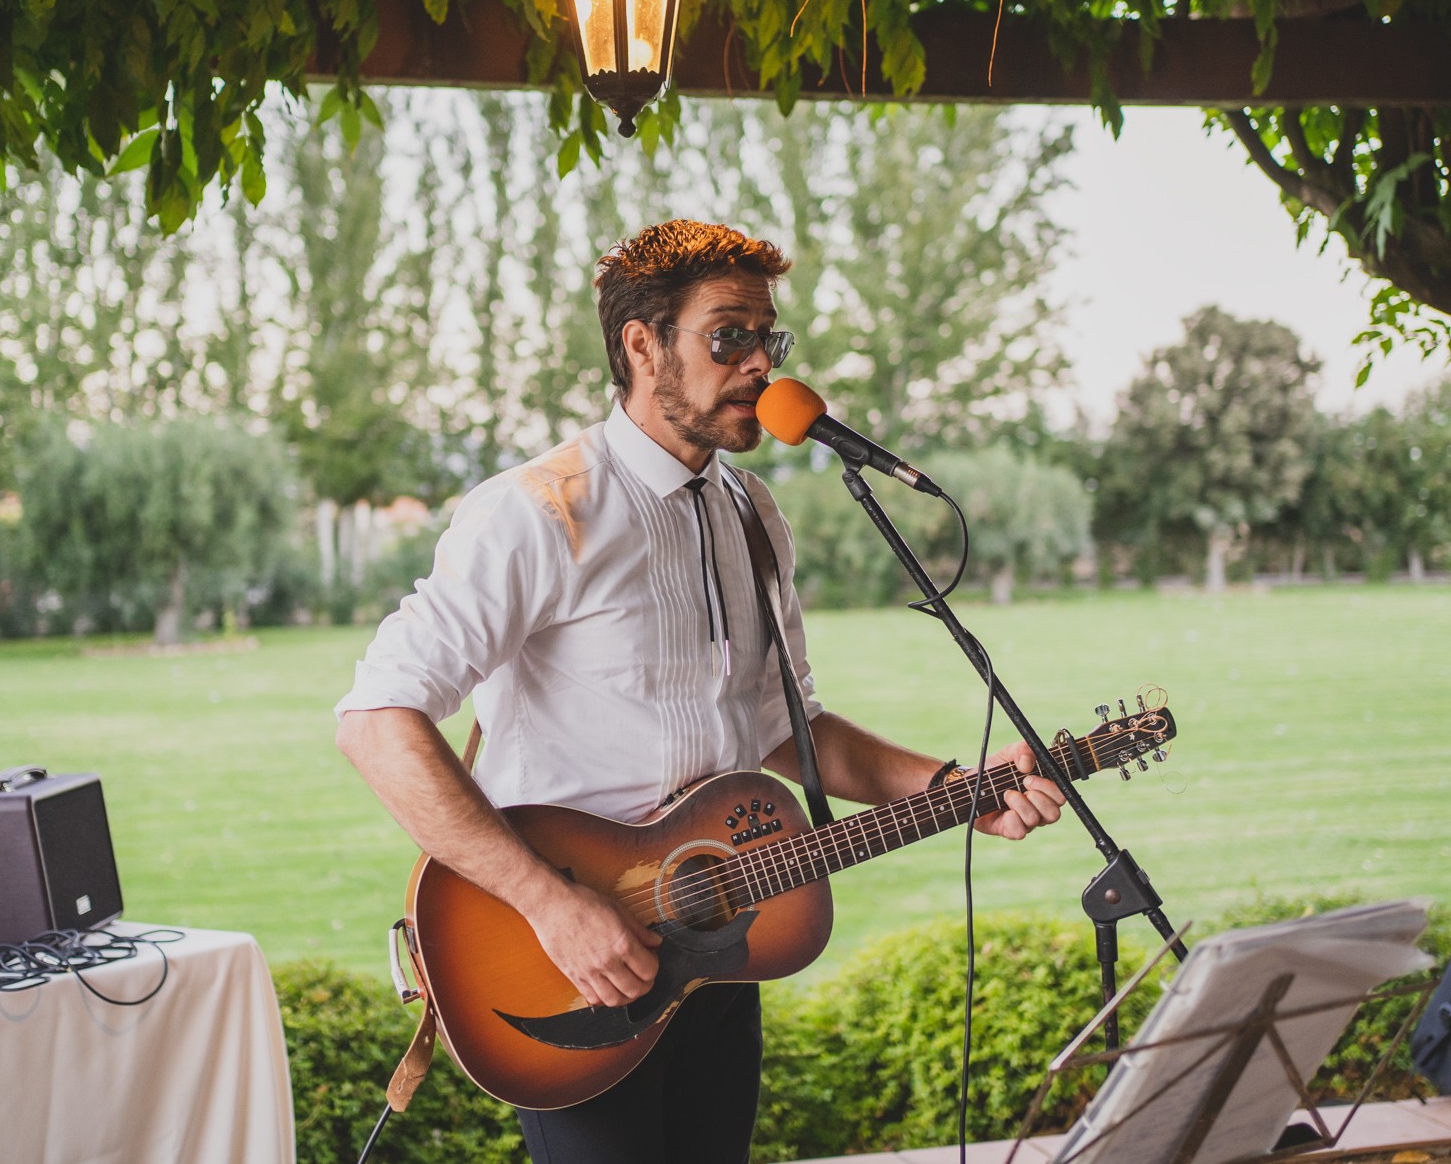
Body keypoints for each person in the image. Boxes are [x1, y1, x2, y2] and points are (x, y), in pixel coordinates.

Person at [335, 219, 1065, 1164]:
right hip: (566, 963)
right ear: (642, 345)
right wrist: (552, 906)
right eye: (729, 337)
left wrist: (954, 787)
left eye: (769, 339)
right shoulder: (539, 512)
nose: (761, 364)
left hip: (718, 952)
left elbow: (786, 729)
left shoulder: (754, 517)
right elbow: (376, 720)